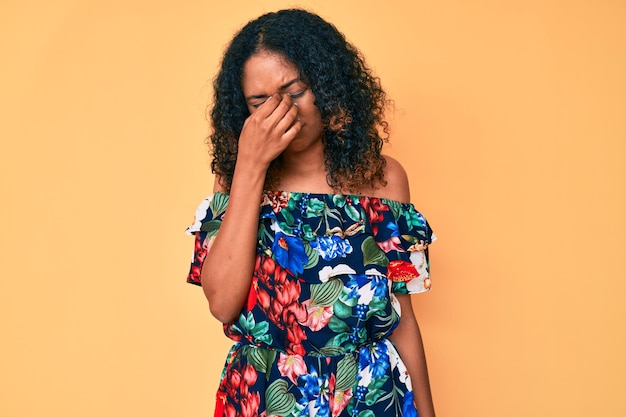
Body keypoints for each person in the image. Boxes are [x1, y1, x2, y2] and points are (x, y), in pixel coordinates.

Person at [186, 9, 437, 417]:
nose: (281, 112)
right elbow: (222, 305)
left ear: (326, 86)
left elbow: (402, 318)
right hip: (264, 396)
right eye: (260, 102)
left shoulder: (384, 180)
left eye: (295, 91)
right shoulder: (234, 180)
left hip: (369, 397)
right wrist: (250, 167)